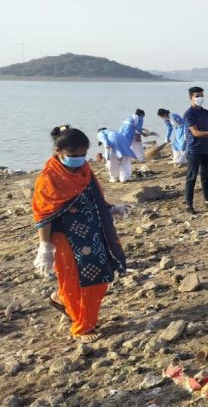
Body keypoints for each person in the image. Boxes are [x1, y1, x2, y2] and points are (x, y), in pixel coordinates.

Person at [32, 126, 128, 342]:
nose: (80, 159)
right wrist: (45, 248)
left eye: (83, 154)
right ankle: (82, 327)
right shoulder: (48, 178)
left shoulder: (84, 170)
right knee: (75, 282)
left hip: (92, 235)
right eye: (74, 155)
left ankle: (61, 299)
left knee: (100, 276)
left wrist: (111, 209)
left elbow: (93, 198)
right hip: (65, 238)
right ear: (58, 151)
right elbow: (43, 216)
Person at [183, 86, 208, 214]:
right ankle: (189, 205)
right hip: (194, 149)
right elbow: (195, 133)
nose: (200, 98)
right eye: (197, 96)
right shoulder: (189, 114)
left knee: (206, 176)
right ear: (191, 98)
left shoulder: (207, 113)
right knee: (192, 177)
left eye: (202, 96)